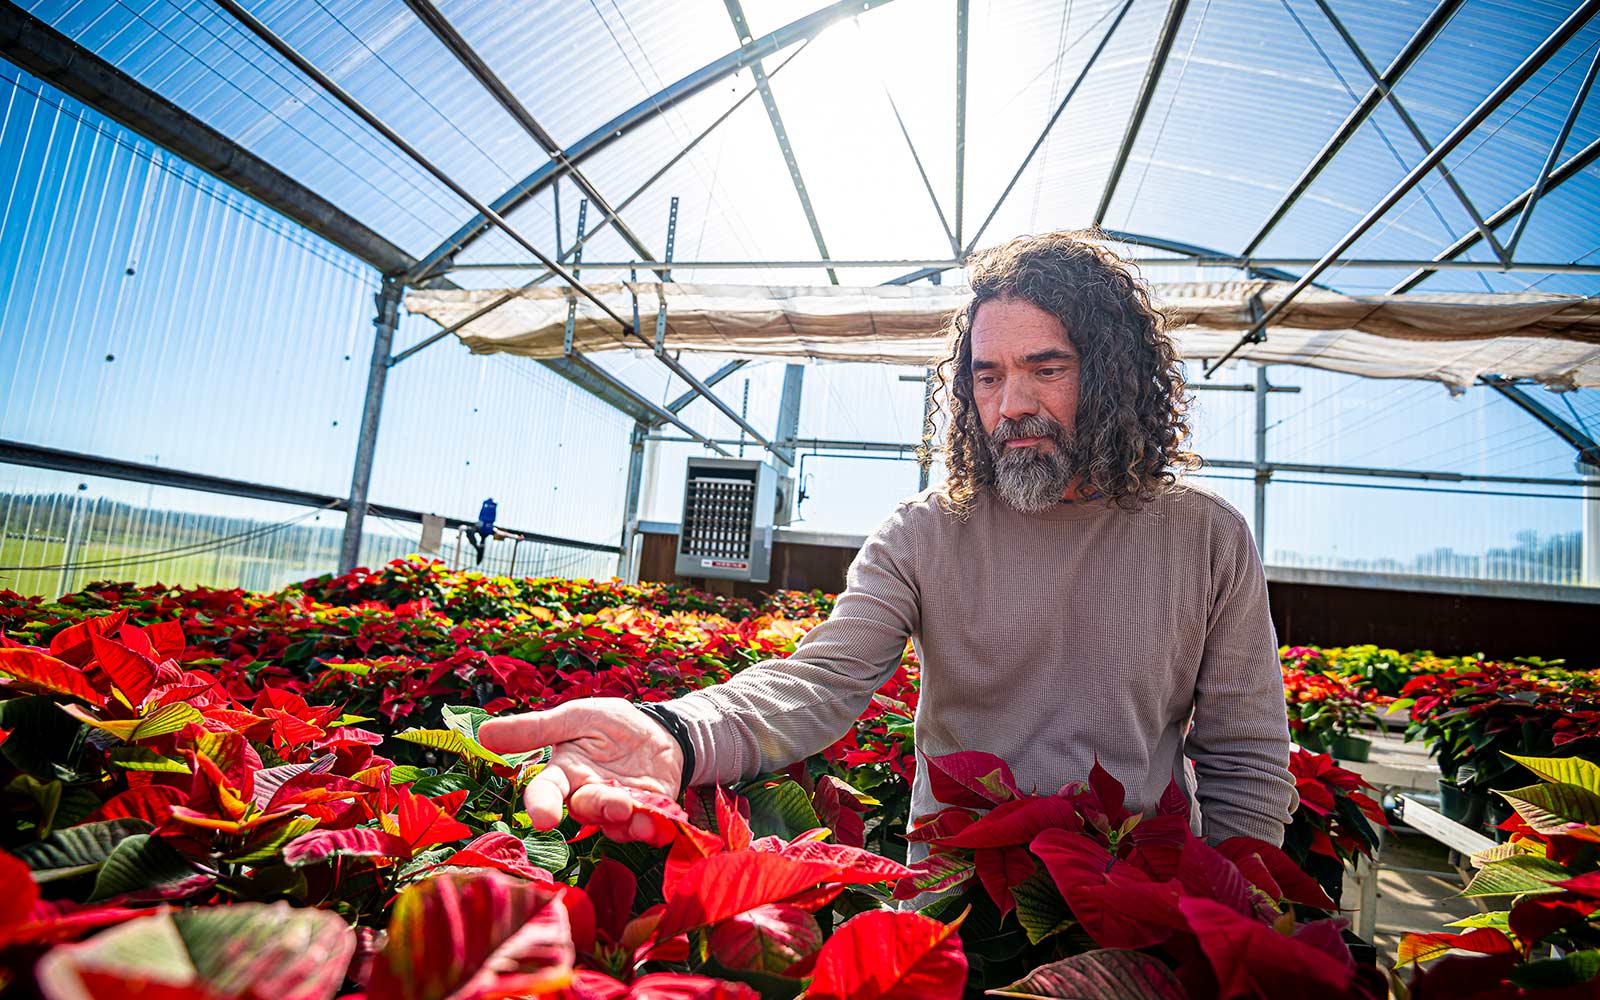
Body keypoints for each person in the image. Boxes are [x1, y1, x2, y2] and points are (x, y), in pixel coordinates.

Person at [479, 231, 1297, 849]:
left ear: (1113, 373)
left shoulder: (1205, 537)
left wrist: (1226, 927)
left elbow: (1246, 760)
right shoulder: (925, 533)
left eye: (1046, 369)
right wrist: (678, 734)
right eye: (986, 374)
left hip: (1138, 905)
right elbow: (822, 681)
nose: (1009, 403)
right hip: (951, 912)